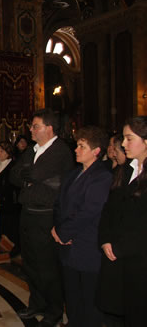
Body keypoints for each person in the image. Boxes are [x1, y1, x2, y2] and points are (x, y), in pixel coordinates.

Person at [10, 108, 74, 327]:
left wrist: (30, 176)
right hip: (27, 213)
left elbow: (33, 174)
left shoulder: (60, 150)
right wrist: (30, 176)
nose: (31, 129)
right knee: (30, 263)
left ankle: (54, 310)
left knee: (47, 266)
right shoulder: (32, 150)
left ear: (49, 128)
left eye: (35, 126)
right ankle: (36, 303)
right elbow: (14, 175)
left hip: (46, 216)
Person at [51, 126, 112, 327]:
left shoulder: (102, 176)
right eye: (77, 145)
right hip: (67, 244)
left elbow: (89, 211)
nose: (76, 150)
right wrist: (58, 229)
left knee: (89, 297)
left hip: (86, 245)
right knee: (72, 294)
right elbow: (59, 204)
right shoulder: (73, 174)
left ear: (96, 151)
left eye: (81, 146)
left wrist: (64, 231)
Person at [97, 116, 147, 327]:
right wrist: (106, 239)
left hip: (139, 258)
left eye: (129, 138)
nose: (123, 144)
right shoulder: (124, 170)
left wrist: (121, 247)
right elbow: (109, 209)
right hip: (117, 253)